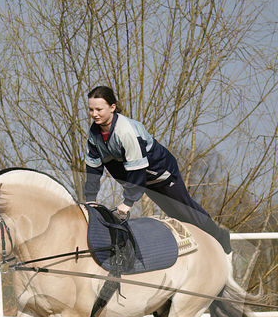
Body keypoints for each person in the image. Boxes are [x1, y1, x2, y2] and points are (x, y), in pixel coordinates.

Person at [84, 86, 231, 254]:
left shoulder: (125, 131)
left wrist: (127, 203)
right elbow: (93, 168)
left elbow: (137, 169)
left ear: (112, 107)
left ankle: (221, 239)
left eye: (99, 109)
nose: (94, 114)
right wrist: (90, 199)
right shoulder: (94, 134)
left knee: (186, 211)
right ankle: (200, 249)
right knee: (174, 216)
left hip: (163, 175)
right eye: (91, 109)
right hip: (144, 181)